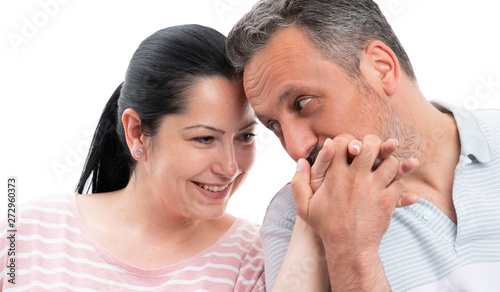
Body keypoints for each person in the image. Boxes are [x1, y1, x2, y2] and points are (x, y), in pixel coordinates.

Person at [225, 0, 500, 291]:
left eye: (302, 103)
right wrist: (349, 252)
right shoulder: (295, 217)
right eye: (274, 126)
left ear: (381, 69)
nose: (296, 149)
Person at [0, 24, 265, 291]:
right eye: (204, 139)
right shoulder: (25, 232)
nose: (230, 167)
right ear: (137, 133)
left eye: (245, 137)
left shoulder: (257, 259)